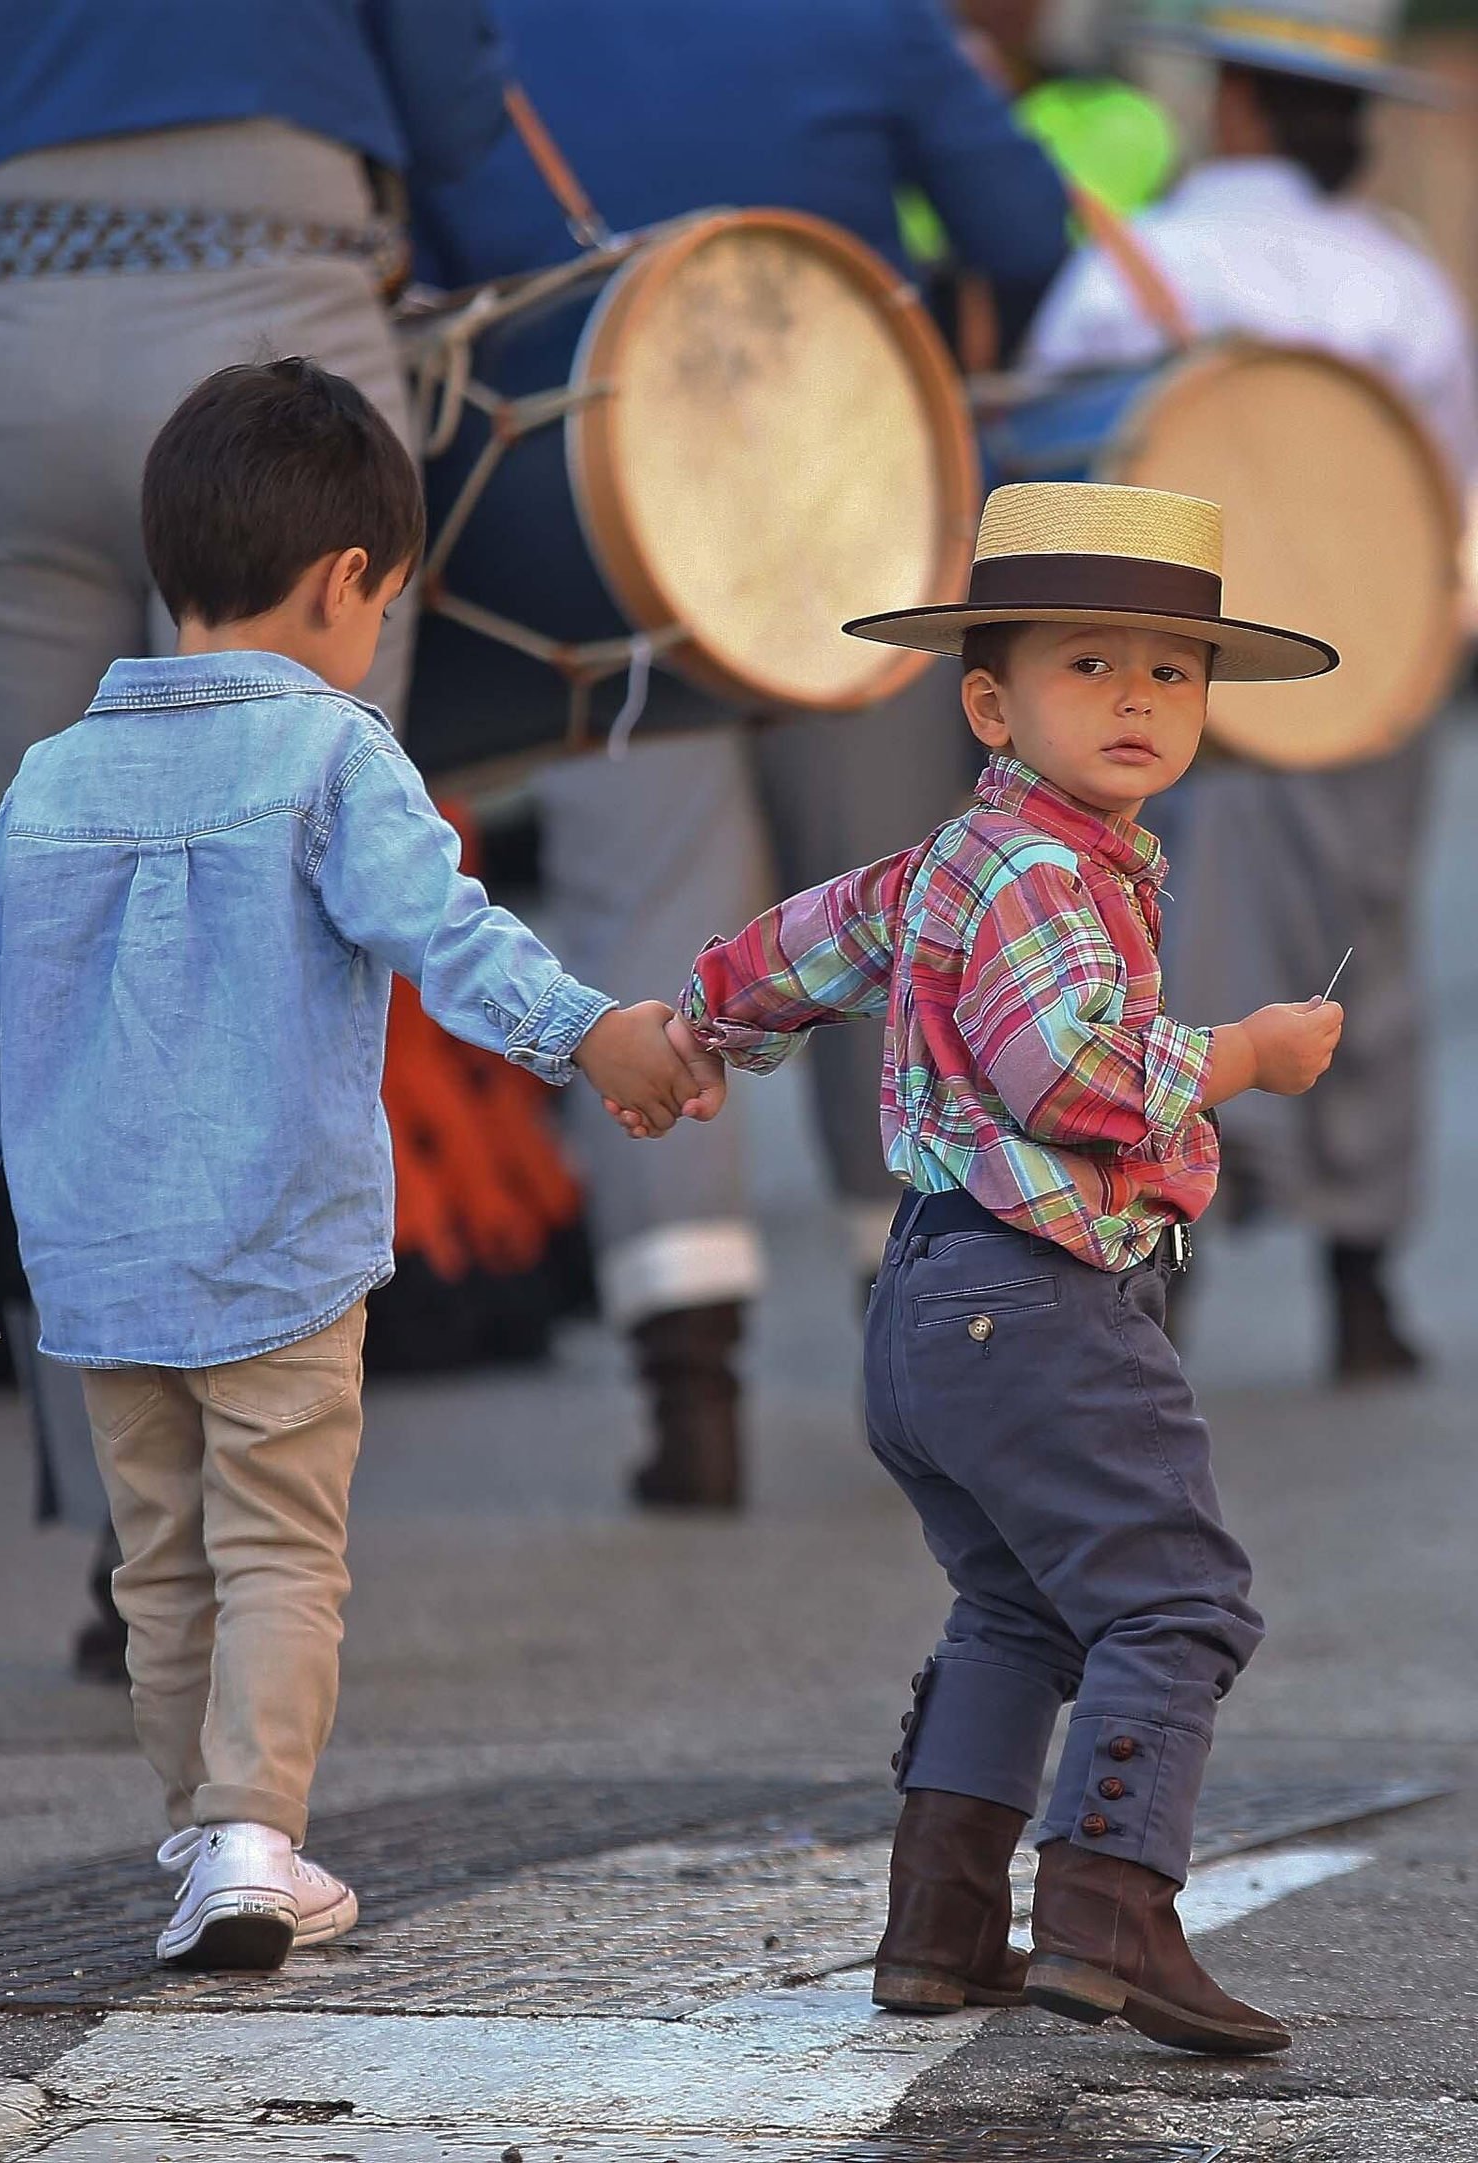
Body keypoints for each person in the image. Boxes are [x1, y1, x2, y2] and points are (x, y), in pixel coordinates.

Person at [0, 359, 717, 1970]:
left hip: (98, 1265)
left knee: (160, 1563)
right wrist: (591, 1031)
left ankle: (206, 1837)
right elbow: (442, 931)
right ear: (351, 584)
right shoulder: (336, 758)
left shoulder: (50, 776)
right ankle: (260, 1838)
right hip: (279, 1241)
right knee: (279, 1543)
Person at [649, 481, 1344, 2052]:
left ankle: (940, 1926)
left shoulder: (960, 859)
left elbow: (803, 944)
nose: (1137, 700)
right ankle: (1107, 1912)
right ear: (992, 698)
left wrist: (701, 1026)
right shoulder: (1047, 874)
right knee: (1176, 1600)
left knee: (1020, 1606)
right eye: (1090, 666)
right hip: (1036, 1305)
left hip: (932, 1307)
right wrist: (1241, 1056)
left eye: (1172, 671)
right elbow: (1061, 1075)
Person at [0, 0, 511, 1672]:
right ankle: (266, 1510)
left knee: (47, 932)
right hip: (275, 285)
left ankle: (125, 1533)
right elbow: (450, 93)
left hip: (1, 336)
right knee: (298, 905)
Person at [416, 0, 1072, 1511]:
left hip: (593, 524)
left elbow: (434, 276)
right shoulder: (867, 14)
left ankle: (691, 1388)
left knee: (645, 921)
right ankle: (928, 1350)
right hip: (856, 498)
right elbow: (1023, 224)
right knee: (908, 922)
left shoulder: (484, 33)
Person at [1024, 0, 1478, 1378]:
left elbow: (1047, 466)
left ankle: (1170, 1274)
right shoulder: (1396, 281)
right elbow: (1442, 485)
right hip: (1363, 664)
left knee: (1154, 960)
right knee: (1367, 953)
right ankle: (1362, 1283)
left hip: (1179, 675)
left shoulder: (1143, 264)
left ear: (1229, 108)